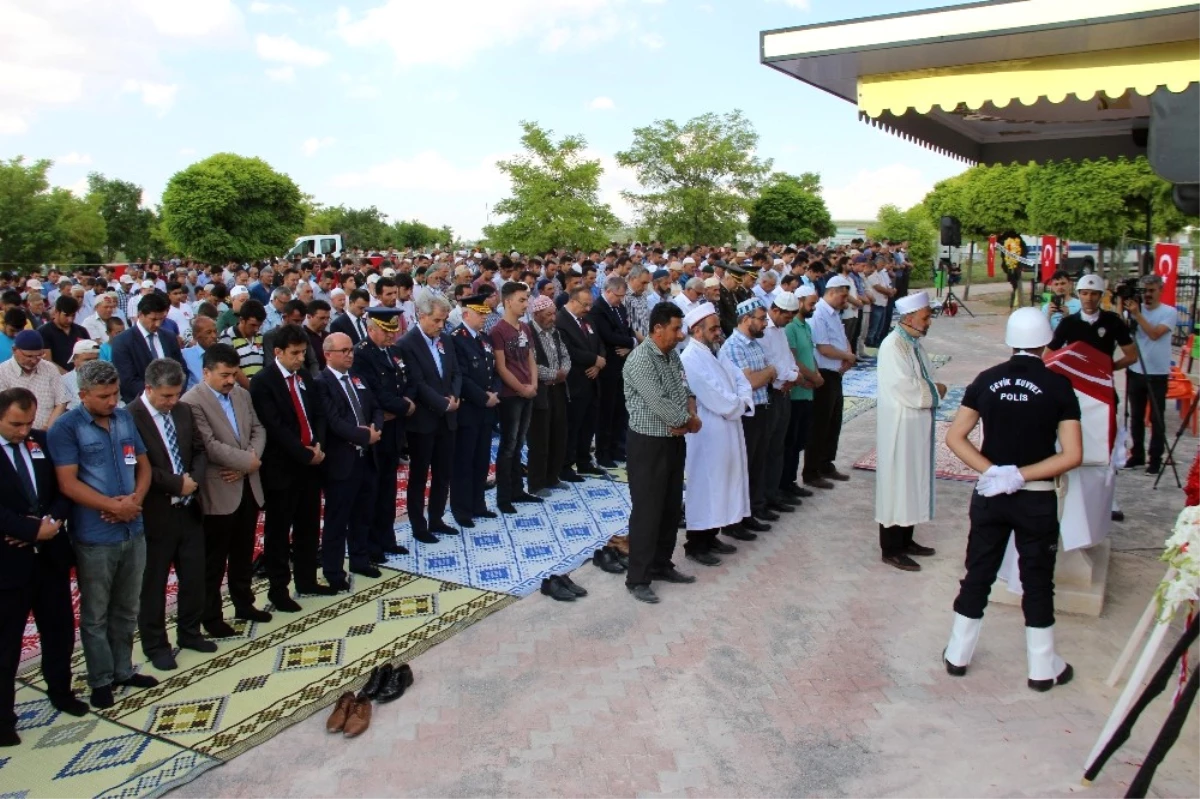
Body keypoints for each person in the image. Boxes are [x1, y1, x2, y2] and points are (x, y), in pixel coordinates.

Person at [943, 308, 1083, 690]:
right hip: (1035, 498)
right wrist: (1021, 475)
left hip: (990, 497)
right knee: (1037, 581)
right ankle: (1042, 668)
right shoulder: (1058, 386)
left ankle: (958, 654)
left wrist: (993, 472)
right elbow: (1072, 454)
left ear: (1009, 340)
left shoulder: (986, 380)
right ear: (1046, 342)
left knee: (979, 573)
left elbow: (955, 437)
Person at [48, 360, 157, 708]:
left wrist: (134, 501)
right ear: (83, 395)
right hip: (95, 534)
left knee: (127, 606)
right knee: (96, 612)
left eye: (115, 394)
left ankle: (123, 669)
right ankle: (100, 678)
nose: (112, 401)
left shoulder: (124, 418)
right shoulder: (65, 428)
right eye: (104, 396)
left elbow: (143, 465)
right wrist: (111, 506)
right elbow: (67, 483)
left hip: (132, 525)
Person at [0, 388, 84, 747]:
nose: (23, 431)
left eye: (28, 422)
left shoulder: (43, 441)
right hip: (8, 563)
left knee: (59, 629)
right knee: (6, 644)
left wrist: (49, 523)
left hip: (50, 555)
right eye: (15, 424)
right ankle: (3, 717)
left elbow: (64, 488)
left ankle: (61, 691)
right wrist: (28, 529)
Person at [128, 359, 215, 671]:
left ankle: (190, 632)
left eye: (176, 394)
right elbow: (140, 465)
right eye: (166, 396)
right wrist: (176, 483)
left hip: (189, 507)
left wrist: (193, 480)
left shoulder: (182, 410)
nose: (172, 401)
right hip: (156, 511)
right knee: (154, 583)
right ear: (149, 389)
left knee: (194, 575)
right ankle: (155, 644)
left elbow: (199, 450)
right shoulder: (130, 417)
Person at [183, 344, 271, 637]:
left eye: (234, 374)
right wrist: (248, 461)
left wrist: (249, 463)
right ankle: (212, 615)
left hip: (246, 484)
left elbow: (258, 429)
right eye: (224, 375)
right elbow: (208, 445)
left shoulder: (241, 394)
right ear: (205, 372)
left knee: (243, 551)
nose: (230, 380)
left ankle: (244, 602)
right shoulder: (192, 402)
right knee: (215, 559)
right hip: (220, 489)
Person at [251, 323, 334, 612]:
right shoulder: (264, 381)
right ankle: (278, 589)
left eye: (303, 353)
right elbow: (275, 426)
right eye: (295, 353)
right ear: (278, 352)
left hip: (311, 462)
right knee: (278, 530)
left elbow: (318, 415)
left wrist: (319, 445)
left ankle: (307, 578)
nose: (300, 358)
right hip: (282, 467)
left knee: (308, 525)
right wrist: (303, 453)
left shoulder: (305, 379)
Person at [622, 302, 700, 604]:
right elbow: (659, 402)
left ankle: (661, 563)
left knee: (669, 506)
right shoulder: (641, 360)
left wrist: (689, 414)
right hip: (648, 444)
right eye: (675, 328)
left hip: (673, 439)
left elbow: (684, 388)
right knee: (647, 510)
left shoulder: (671, 356)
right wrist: (687, 421)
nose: (680, 335)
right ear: (657, 329)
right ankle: (638, 578)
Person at [875, 292, 946, 572]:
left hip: (915, 425)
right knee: (897, 484)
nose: (929, 322)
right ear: (909, 317)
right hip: (900, 426)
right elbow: (904, 387)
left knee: (912, 481)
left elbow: (923, 377)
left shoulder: (913, 343)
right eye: (926, 317)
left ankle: (907, 539)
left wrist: (932, 388)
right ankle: (891, 548)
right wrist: (935, 391)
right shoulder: (893, 346)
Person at [679, 303, 752, 566]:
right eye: (713, 328)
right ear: (697, 330)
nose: (718, 332)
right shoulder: (690, 358)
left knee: (722, 484)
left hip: (727, 427)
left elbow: (741, 378)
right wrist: (738, 404)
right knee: (706, 486)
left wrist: (741, 399)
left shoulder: (715, 352)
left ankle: (711, 536)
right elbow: (713, 396)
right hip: (707, 433)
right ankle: (696, 544)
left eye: (718, 327)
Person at [317, 332, 383, 590]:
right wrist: (365, 435)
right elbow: (334, 422)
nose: (349, 354)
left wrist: (376, 427)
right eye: (343, 351)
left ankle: (359, 558)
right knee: (337, 519)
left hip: (365, 457)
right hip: (341, 460)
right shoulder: (322, 382)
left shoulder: (357, 377)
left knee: (362, 512)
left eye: (350, 350)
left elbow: (375, 406)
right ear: (328, 354)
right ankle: (333, 571)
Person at [350, 308, 415, 561]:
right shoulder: (361, 355)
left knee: (389, 486)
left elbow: (408, 380)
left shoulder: (395, 351)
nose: (392, 336)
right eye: (386, 331)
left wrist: (407, 402)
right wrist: (402, 406)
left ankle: (387, 538)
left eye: (393, 330)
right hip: (377, 428)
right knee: (372, 489)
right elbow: (373, 391)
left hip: (395, 426)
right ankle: (371, 545)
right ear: (372, 329)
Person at [398, 293, 461, 543]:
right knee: (420, 474)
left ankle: (436, 518)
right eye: (436, 320)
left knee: (443, 472)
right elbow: (417, 382)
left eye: (443, 320)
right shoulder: (407, 343)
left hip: (448, 417)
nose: (441, 325)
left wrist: (454, 396)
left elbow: (455, 372)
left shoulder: (445, 339)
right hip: (423, 420)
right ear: (422, 316)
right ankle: (418, 524)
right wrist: (442, 403)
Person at [719, 299, 777, 532]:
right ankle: (735, 521)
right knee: (742, 468)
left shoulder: (754, 344)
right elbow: (751, 382)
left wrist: (766, 373)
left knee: (756, 464)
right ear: (746, 320)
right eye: (762, 319)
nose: (765, 324)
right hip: (746, 415)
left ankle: (751, 511)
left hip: (762, 409)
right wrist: (768, 372)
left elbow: (764, 376)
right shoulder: (734, 347)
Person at [490, 282, 541, 513]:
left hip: (528, 391)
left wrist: (534, 384)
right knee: (508, 445)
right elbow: (501, 367)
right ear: (508, 301)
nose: (526, 304)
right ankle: (504, 497)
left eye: (527, 299)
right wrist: (521, 388)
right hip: (511, 395)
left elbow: (531, 358)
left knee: (520, 443)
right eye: (521, 300)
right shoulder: (498, 331)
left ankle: (518, 490)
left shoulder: (526, 328)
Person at [450, 296, 500, 525]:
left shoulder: (485, 338)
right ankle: (462, 510)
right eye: (480, 314)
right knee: (465, 461)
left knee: (481, 460)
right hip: (469, 409)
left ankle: (478, 503)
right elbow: (462, 376)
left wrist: (495, 393)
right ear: (466, 315)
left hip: (487, 408)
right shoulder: (456, 339)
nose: (484, 318)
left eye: (485, 314)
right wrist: (483, 397)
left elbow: (494, 369)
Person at [804, 276, 857, 489]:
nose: (846, 300)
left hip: (836, 372)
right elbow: (823, 348)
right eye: (843, 295)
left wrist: (848, 355)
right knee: (820, 424)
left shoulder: (834, 314)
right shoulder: (819, 314)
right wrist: (847, 357)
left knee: (833, 421)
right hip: (824, 373)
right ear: (832, 292)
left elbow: (842, 339)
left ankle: (826, 463)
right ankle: (812, 470)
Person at [1124, 274, 1176, 474]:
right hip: (1136, 370)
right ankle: (1137, 454)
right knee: (1135, 416)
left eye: (1152, 291)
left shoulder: (1168, 312)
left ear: (1160, 291)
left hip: (1157, 373)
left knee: (1156, 417)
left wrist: (1138, 315)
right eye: (1144, 291)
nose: (1147, 295)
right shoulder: (1134, 310)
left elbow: (1155, 334)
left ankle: (1155, 459)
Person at [556, 286, 606, 479]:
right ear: (574, 301)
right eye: (585, 305)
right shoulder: (561, 321)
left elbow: (599, 343)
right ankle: (566, 465)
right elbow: (569, 350)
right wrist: (594, 359)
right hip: (575, 382)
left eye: (590, 305)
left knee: (588, 425)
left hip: (593, 380)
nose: (588, 308)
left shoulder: (587, 319)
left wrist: (599, 363)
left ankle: (584, 461)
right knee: (573, 425)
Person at [759, 292, 802, 515]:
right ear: (776, 310)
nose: (789, 321)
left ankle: (774, 493)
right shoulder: (763, 330)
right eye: (787, 316)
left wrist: (793, 374)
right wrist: (786, 378)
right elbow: (769, 364)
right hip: (771, 394)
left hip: (785, 391)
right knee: (767, 449)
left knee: (778, 446)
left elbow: (787, 358)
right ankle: (763, 499)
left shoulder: (781, 330)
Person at [781, 286, 822, 500]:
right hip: (797, 391)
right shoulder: (791, 328)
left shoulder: (806, 326)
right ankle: (785, 484)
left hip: (807, 391)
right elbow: (794, 359)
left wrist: (816, 373)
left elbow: (810, 354)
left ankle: (792, 481)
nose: (813, 307)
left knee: (799, 441)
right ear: (799, 301)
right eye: (811, 303)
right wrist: (810, 378)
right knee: (790, 441)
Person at [590, 277, 637, 467]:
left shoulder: (620, 307)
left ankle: (617, 448)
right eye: (618, 296)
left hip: (622, 365)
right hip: (608, 367)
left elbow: (627, 331)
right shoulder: (598, 309)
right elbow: (608, 336)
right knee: (606, 412)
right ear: (609, 291)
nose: (620, 300)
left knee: (620, 410)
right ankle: (604, 453)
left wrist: (631, 344)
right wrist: (630, 342)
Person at [527, 294, 571, 496]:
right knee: (540, 437)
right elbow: (531, 365)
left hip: (558, 389)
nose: (553, 318)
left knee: (558, 433)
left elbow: (565, 355)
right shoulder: (528, 332)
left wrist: (562, 373)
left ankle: (553, 476)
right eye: (548, 314)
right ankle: (537, 482)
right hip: (541, 391)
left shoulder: (554, 332)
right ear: (536, 314)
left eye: (554, 314)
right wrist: (553, 374)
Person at [110, 291, 186, 403]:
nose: (158, 324)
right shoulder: (122, 342)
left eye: (162, 319)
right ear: (140, 315)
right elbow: (127, 380)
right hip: (141, 404)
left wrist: (174, 393)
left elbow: (182, 369)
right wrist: (158, 396)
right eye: (154, 319)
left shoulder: (169, 337)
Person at [0, 331, 70, 430]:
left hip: (48, 432)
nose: (34, 361)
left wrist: (49, 428)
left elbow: (61, 401)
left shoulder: (50, 369)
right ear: (14, 350)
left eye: (38, 356)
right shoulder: (2, 372)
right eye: (29, 356)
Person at [219, 299, 267, 389]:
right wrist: (251, 388)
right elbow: (231, 366)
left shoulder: (260, 336)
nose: (256, 329)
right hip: (238, 391)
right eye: (252, 325)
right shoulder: (228, 335)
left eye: (259, 326)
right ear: (242, 320)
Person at [38, 295, 90, 372]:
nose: (70, 320)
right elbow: (47, 361)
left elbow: (90, 356)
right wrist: (68, 377)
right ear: (56, 312)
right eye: (66, 315)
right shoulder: (44, 332)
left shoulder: (81, 331)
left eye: (73, 315)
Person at [182, 315, 218, 389]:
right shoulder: (185, 355)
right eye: (208, 332)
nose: (214, 336)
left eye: (215, 332)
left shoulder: (222, 353)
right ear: (195, 336)